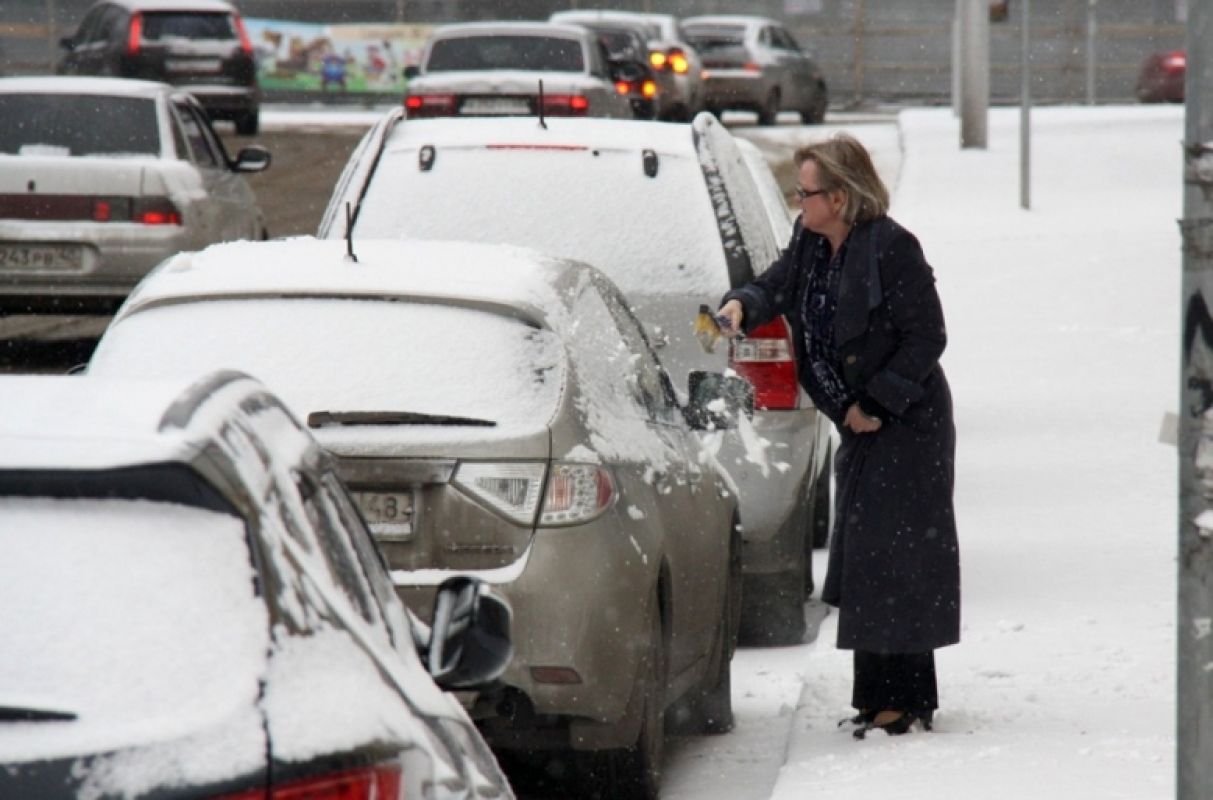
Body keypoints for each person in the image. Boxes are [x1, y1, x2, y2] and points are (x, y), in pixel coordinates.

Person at [716, 133, 960, 738]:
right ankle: (881, 698)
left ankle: (902, 702)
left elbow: (927, 336)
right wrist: (742, 304)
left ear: (842, 197)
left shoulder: (893, 249)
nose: (799, 202)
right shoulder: (812, 243)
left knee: (896, 559)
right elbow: (777, 284)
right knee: (871, 560)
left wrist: (874, 403)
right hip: (858, 420)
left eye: (806, 193)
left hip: (907, 423)